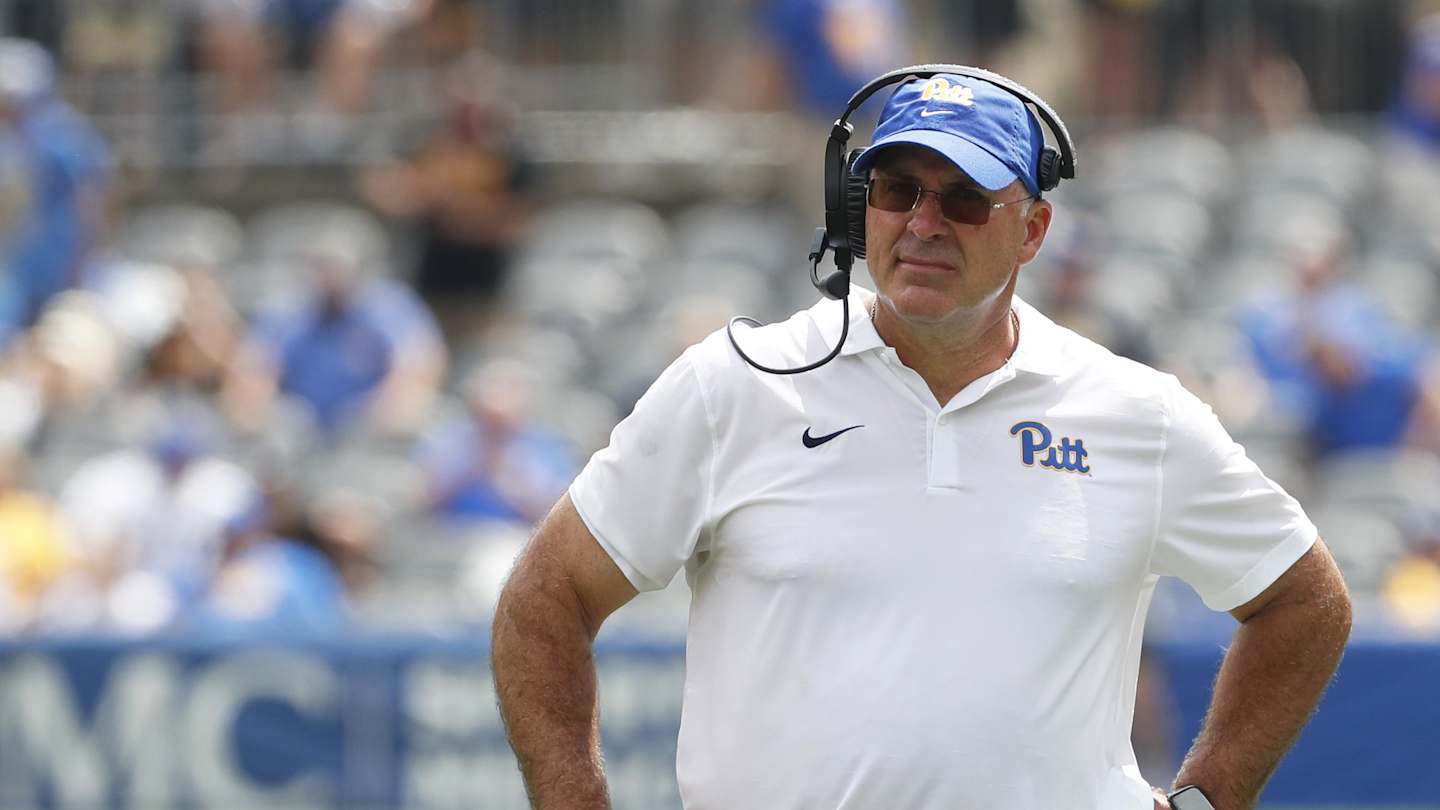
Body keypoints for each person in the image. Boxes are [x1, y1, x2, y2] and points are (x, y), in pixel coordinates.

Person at [491, 69, 1352, 810]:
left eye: (966, 198)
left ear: (1033, 230)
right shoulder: (735, 385)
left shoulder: (1138, 413)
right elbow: (546, 597)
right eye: (897, 191)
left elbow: (1305, 601)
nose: (925, 222)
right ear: (858, 208)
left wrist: (1205, 799)